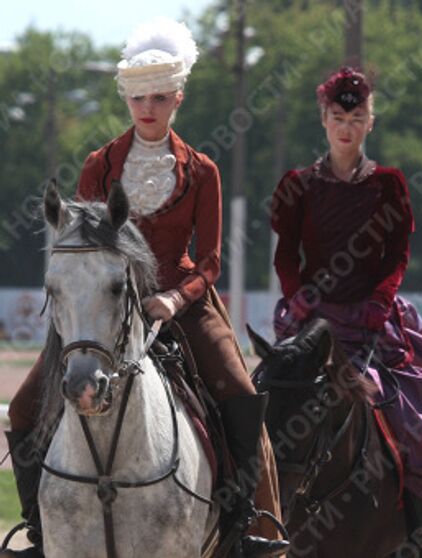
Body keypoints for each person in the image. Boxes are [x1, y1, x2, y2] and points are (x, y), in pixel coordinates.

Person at [3, 19, 287, 558]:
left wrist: (174, 298)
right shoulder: (98, 165)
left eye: (158, 96)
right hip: (105, 306)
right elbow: (86, 246)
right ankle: (40, 531)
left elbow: (210, 260)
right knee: (21, 409)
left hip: (182, 299)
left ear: (177, 98)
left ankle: (246, 525)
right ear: (127, 100)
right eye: (138, 97)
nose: (148, 107)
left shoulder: (202, 170)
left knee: (241, 393)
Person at [269, 67, 422, 554]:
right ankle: (251, 520)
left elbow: (396, 255)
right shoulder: (298, 184)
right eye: (337, 117)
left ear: (370, 122)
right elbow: (285, 254)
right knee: (270, 401)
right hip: (309, 319)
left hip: (372, 320)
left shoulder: (389, 184)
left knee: (420, 417)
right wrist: (300, 296)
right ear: (324, 120)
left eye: (356, 117)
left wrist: (379, 300)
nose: (346, 126)